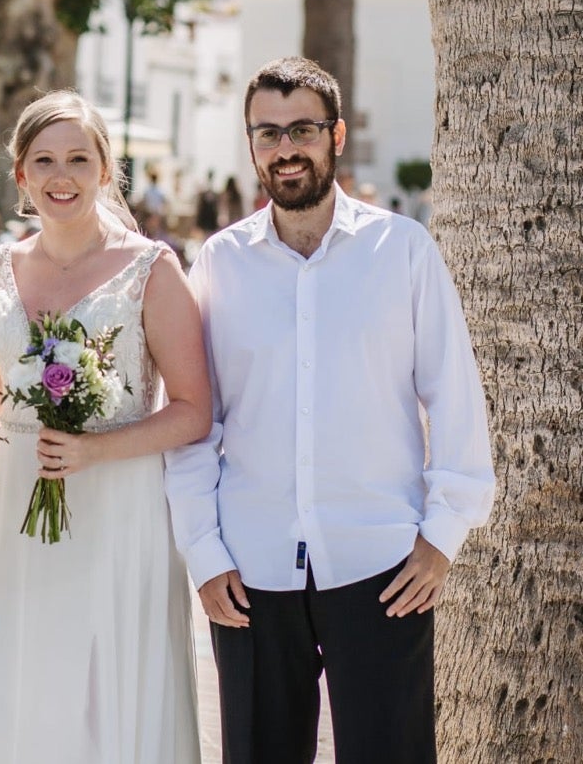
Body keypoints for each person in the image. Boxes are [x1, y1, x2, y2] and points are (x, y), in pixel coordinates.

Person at [165, 56, 496, 764]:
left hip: (384, 561)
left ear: (336, 135)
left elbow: (455, 396)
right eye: (267, 133)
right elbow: (195, 419)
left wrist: (442, 535)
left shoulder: (402, 249)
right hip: (250, 568)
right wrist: (202, 548)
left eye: (303, 129)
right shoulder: (219, 263)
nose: (285, 148)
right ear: (251, 145)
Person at [0, 90, 210, 763]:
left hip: (118, 503)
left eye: (78, 159)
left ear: (104, 170)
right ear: (22, 174)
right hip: (14, 507)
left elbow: (192, 409)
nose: (62, 176)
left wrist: (96, 449)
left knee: (101, 684)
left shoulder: (152, 268)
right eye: (45, 160)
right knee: (19, 671)